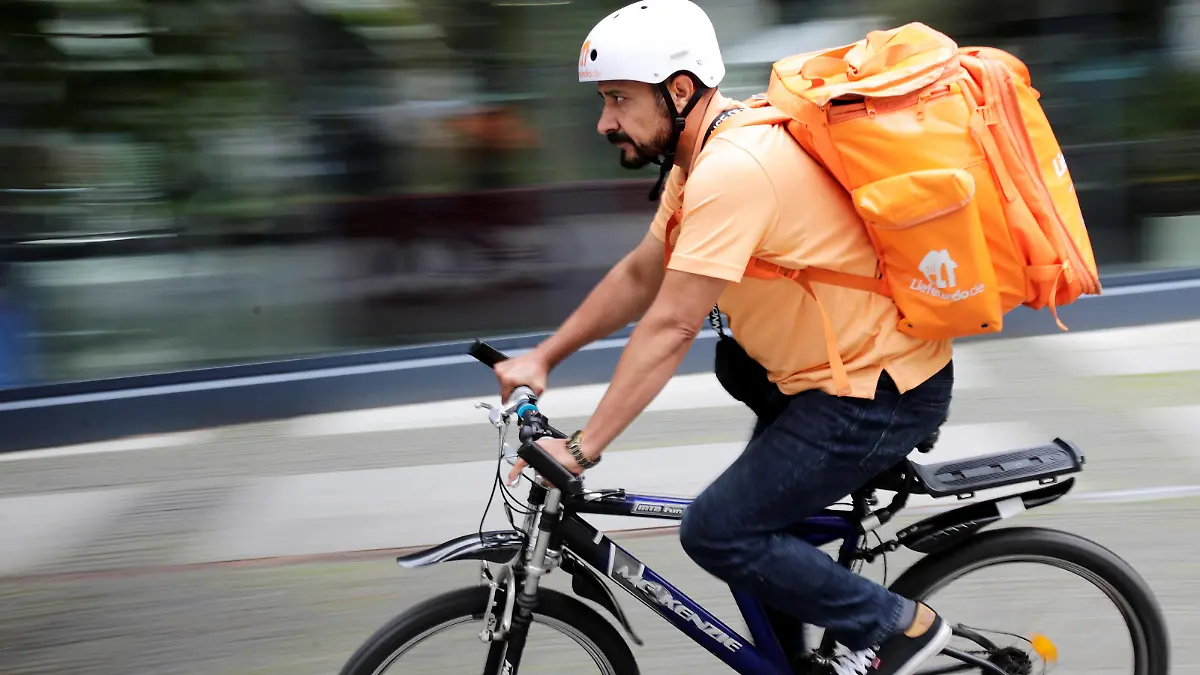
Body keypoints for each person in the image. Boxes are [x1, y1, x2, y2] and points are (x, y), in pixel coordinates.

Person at [497, 1, 954, 672]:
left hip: (873, 394)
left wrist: (584, 446)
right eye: (604, 101)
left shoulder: (736, 168)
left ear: (678, 91)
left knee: (720, 529)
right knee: (756, 532)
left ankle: (897, 625)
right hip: (812, 386)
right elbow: (638, 276)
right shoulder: (699, 163)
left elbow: (674, 321)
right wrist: (544, 357)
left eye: (618, 98)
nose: (605, 122)